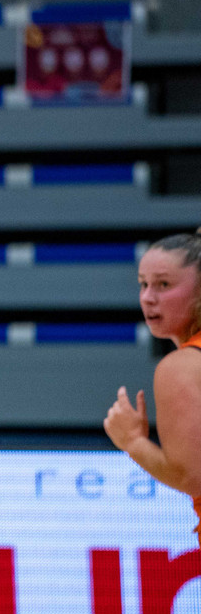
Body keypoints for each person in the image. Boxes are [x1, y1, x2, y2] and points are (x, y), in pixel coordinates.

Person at [104, 230, 201, 546]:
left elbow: (191, 476)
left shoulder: (182, 367)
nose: (147, 297)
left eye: (164, 285)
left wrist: (132, 441)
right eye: (143, 284)